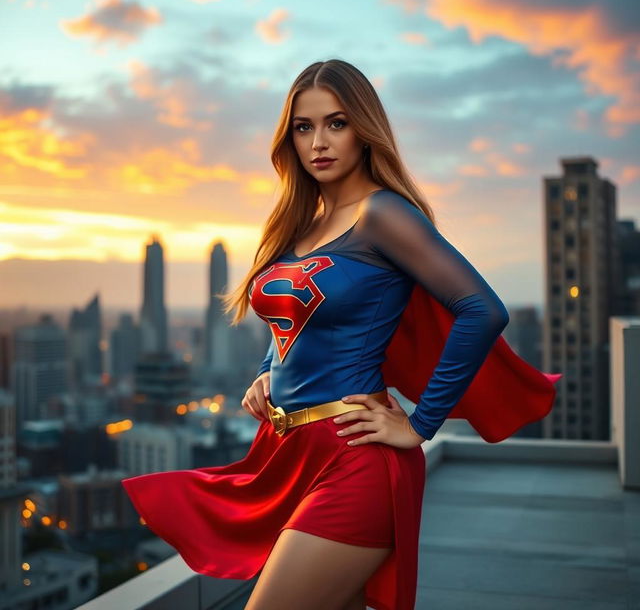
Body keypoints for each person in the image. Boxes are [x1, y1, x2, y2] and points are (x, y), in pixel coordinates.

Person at [121, 59, 560, 610]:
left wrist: (420, 424)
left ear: (364, 129)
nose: (318, 142)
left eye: (336, 123)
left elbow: (482, 309)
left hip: (354, 457)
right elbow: (294, 316)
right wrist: (265, 373)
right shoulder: (300, 225)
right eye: (303, 127)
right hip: (286, 453)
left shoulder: (382, 213)